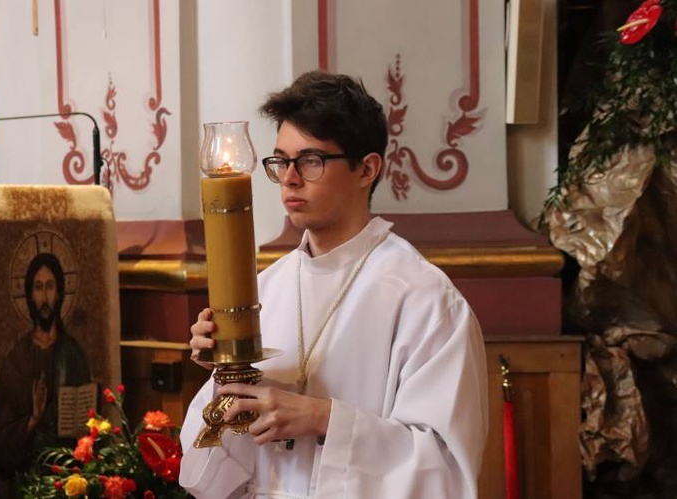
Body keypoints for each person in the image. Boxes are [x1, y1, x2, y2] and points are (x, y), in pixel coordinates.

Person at [179, 71, 488, 498]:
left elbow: (445, 470)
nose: (289, 178)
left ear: (367, 169)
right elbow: (211, 476)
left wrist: (324, 419)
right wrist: (224, 374)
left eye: (310, 160)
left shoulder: (424, 299)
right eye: (280, 161)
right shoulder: (261, 292)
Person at [0, 252, 91, 479]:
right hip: (30, 478)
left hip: (70, 475)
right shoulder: (16, 360)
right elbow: (0, 448)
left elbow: (91, 423)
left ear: (59, 294)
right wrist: (33, 420)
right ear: (29, 295)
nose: (44, 298)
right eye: (38, 288)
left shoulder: (73, 354)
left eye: (50, 286)